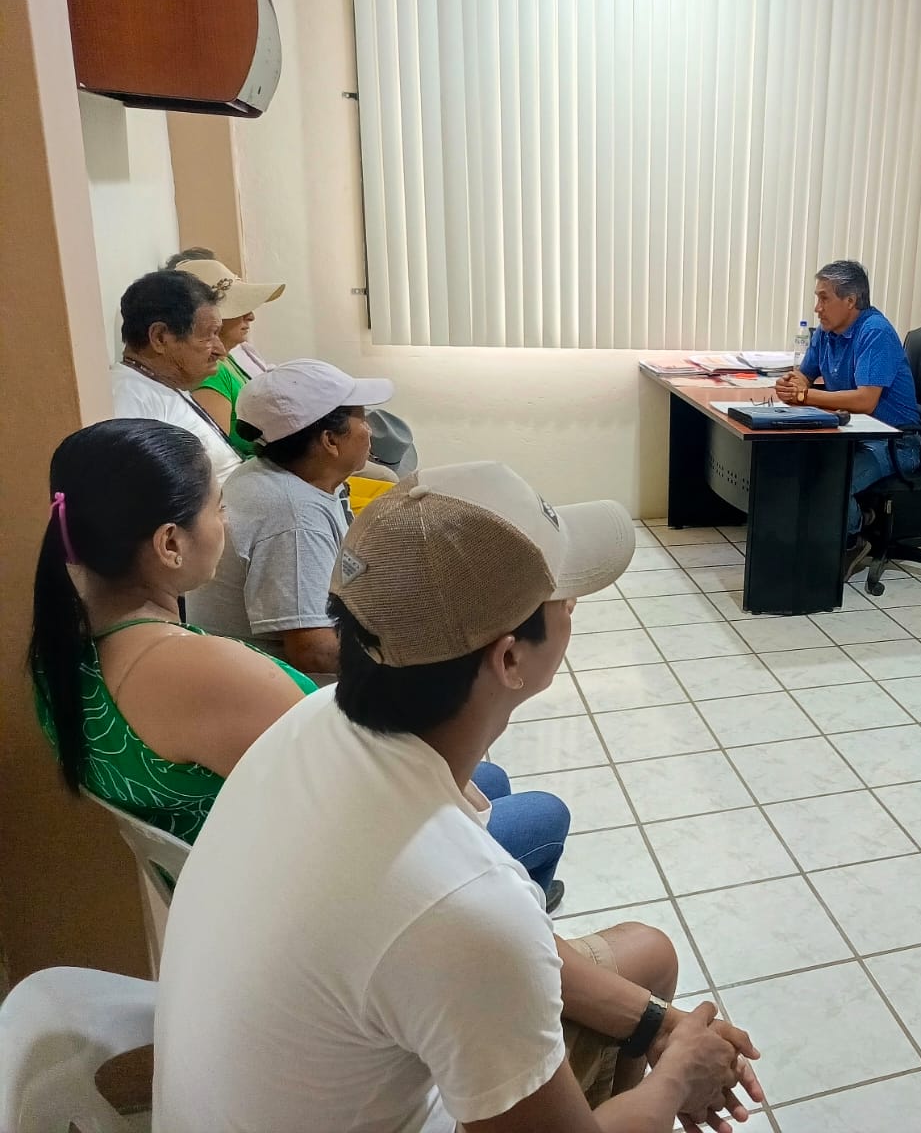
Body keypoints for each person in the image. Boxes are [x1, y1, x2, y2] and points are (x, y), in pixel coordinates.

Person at [155, 462, 765, 1133]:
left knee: (647, 958)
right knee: (642, 976)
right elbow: (477, 936)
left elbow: (500, 947)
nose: (572, 608)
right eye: (563, 596)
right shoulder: (462, 903)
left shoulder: (313, 721)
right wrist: (678, 1078)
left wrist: (659, 1026)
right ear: (510, 659)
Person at [27, 420, 571, 904]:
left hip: (227, 872)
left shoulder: (60, 652)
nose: (227, 521)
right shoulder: (205, 673)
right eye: (218, 507)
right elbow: (383, 801)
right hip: (315, 889)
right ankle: (517, 925)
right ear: (170, 543)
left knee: (491, 778)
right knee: (544, 811)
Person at [187, 359, 394, 677]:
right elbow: (315, 654)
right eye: (362, 419)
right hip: (280, 691)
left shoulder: (270, 475)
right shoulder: (293, 516)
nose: (370, 430)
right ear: (330, 441)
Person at [775, 260, 921, 568]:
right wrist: (793, 382)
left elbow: (866, 401)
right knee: (795, 466)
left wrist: (803, 395)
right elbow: (806, 375)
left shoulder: (875, 332)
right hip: (850, 436)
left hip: (894, 442)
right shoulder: (826, 332)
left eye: (824, 298)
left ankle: (852, 541)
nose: (817, 308)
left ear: (850, 300)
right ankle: (849, 522)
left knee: (829, 481)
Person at [109, 270, 243, 484]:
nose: (220, 350)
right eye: (209, 335)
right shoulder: (127, 396)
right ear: (160, 338)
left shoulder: (165, 384)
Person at [166, 249, 286, 458]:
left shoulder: (228, 359)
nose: (250, 316)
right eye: (239, 308)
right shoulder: (210, 374)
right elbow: (219, 456)